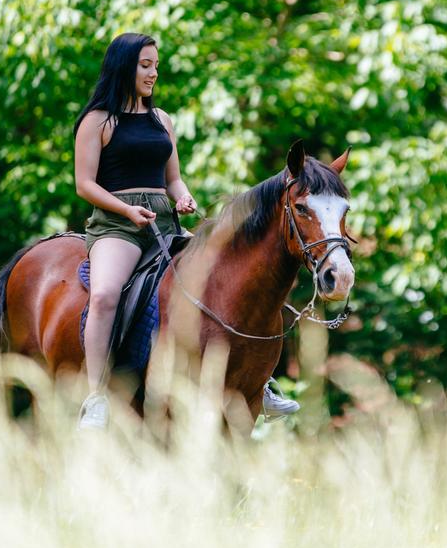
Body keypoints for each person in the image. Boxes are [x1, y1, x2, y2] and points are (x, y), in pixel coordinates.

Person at [73, 32, 298, 429]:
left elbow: (173, 178)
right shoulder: (97, 121)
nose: (153, 73)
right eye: (145, 65)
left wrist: (184, 198)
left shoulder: (162, 121)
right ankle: (96, 398)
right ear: (124, 66)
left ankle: (260, 386)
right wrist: (126, 209)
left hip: (164, 221)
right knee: (106, 295)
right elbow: (85, 184)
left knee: (226, 279)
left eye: (156, 65)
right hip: (117, 226)